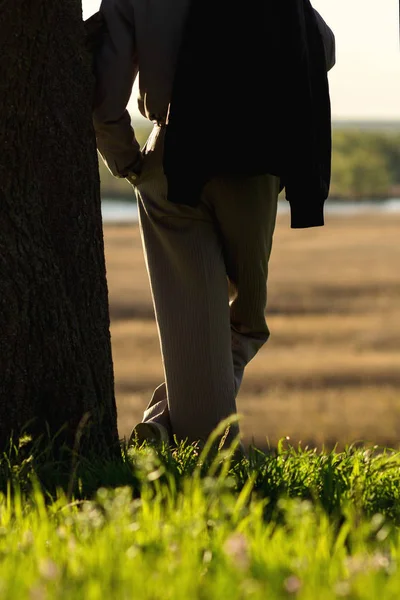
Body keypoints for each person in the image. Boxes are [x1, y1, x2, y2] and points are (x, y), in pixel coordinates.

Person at [91, 0, 336, 448]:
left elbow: (106, 92)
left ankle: (166, 426)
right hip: (255, 161)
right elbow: (325, 47)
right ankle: (207, 460)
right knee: (244, 324)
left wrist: (126, 160)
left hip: (172, 158)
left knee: (192, 321)